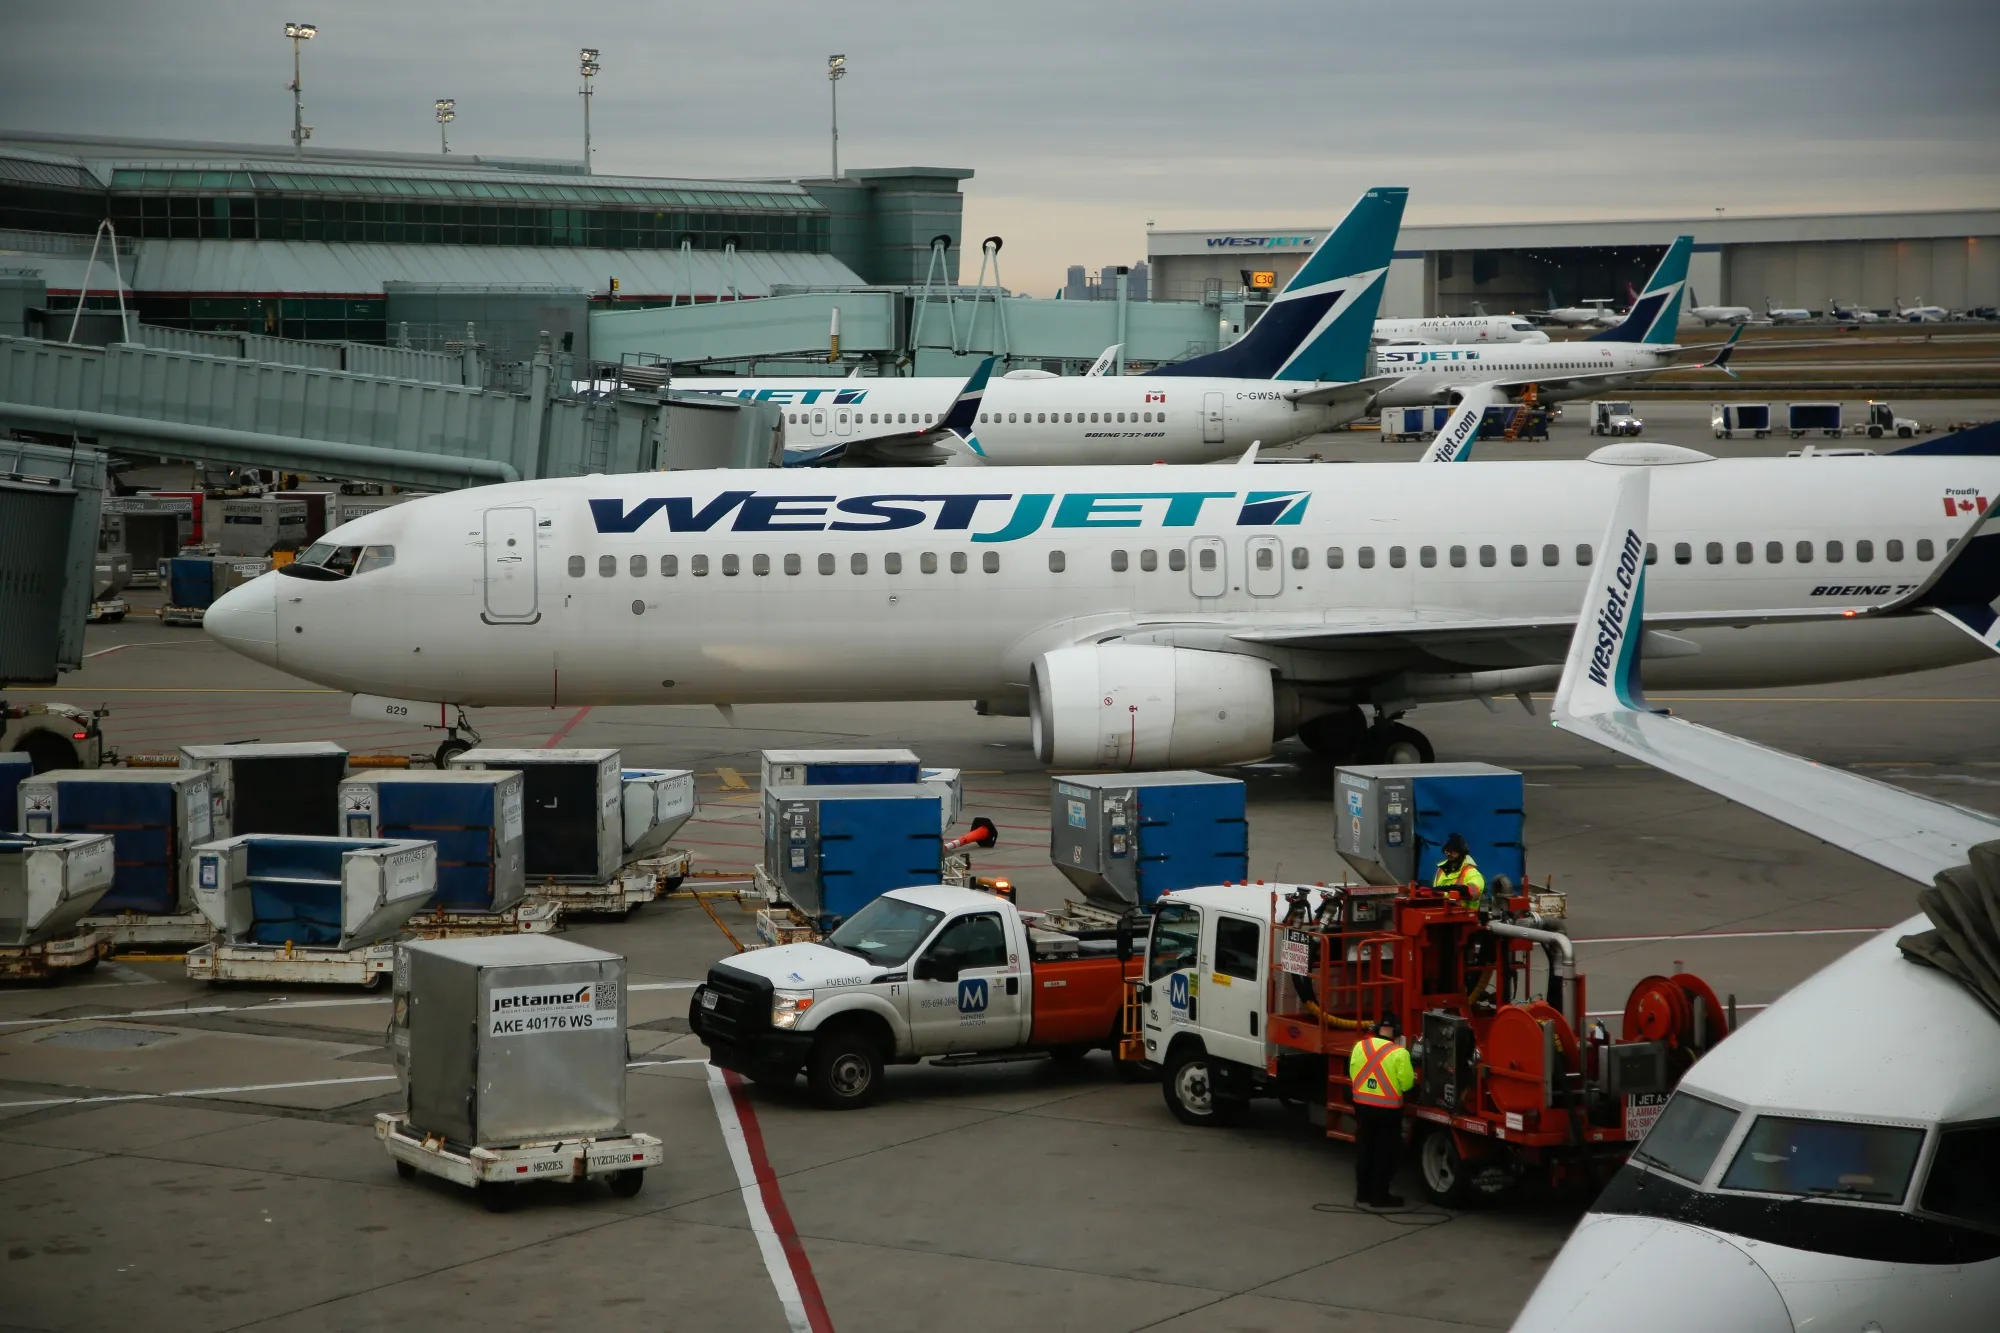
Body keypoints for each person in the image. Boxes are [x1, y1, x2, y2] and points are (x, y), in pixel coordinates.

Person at [1349, 1015, 1414, 1207]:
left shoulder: (1360, 1046)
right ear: (1397, 1031)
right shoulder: (1400, 1053)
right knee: (1384, 1153)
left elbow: (1353, 1073)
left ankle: (1362, 1193)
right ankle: (1380, 1196)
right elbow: (1407, 1084)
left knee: (1365, 1149)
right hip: (1388, 1111)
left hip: (1362, 1107)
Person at [1433, 832, 1485, 907]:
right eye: (1447, 852)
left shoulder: (1472, 872)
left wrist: (1455, 889)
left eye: (1453, 852)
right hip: (1440, 913)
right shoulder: (1441, 870)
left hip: (1465, 915)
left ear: (1462, 854)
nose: (1449, 855)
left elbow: (1474, 892)